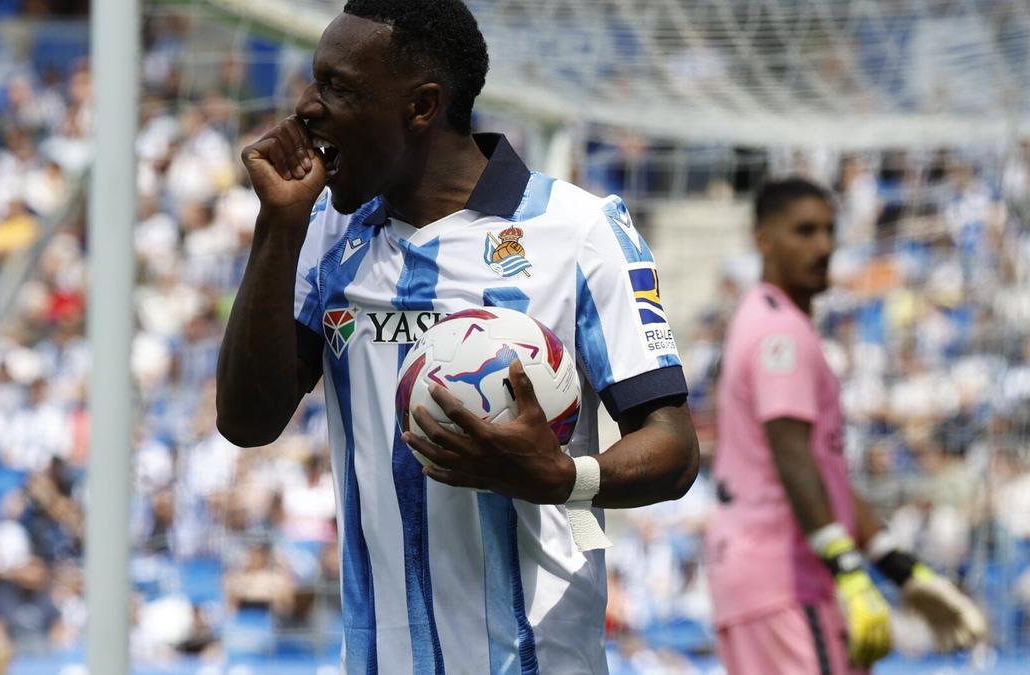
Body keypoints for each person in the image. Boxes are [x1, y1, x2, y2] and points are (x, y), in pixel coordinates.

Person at [215, 1, 699, 672]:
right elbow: (246, 421)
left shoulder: (581, 232)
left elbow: (674, 446)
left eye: (339, 87)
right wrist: (277, 226)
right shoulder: (324, 231)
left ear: (422, 106)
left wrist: (565, 477)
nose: (307, 110)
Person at [705, 179, 986, 675]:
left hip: (765, 580)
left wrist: (899, 568)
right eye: (804, 231)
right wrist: (848, 568)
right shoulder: (780, 332)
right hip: (786, 582)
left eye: (829, 231)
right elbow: (792, 457)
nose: (823, 246)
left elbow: (821, 469)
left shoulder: (771, 319)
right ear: (763, 239)